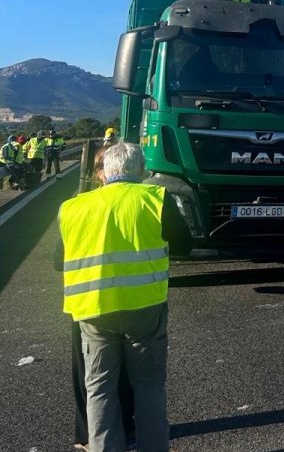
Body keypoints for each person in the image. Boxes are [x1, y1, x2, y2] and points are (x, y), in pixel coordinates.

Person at [58, 143, 192, 452]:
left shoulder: (74, 207)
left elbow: (58, 259)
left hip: (92, 310)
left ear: (104, 173)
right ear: (141, 171)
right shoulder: (155, 199)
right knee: (148, 385)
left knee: (99, 388)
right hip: (144, 308)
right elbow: (184, 244)